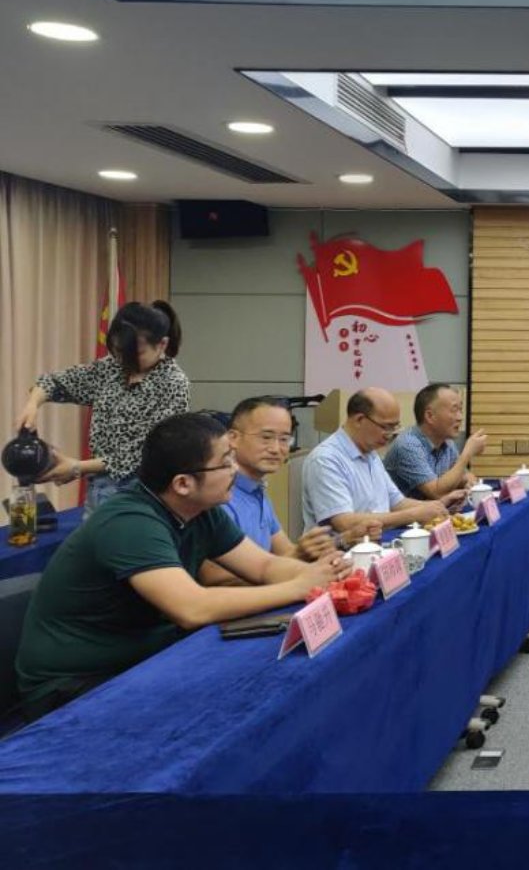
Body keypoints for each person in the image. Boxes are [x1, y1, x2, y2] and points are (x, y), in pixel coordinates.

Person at [14, 413, 349, 719]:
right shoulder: (130, 521)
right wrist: (298, 587)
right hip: (75, 685)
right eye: (225, 462)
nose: (235, 470)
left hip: (145, 657)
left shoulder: (201, 510)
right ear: (183, 484)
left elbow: (263, 567)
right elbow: (192, 608)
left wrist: (321, 574)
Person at [14, 300, 189, 515]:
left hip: (140, 493)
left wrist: (77, 467)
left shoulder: (172, 383)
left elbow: (144, 453)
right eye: (118, 352)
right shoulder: (111, 368)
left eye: (135, 354)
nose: (123, 360)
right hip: (98, 489)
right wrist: (32, 404)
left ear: (162, 344)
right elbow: (57, 382)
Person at [216, 396, 375, 570]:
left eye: (284, 439)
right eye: (266, 437)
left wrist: (342, 540)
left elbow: (285, 552)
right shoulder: (218, 496)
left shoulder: (257, 489)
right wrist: (298, 555)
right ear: (233, 438)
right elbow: (217, 578)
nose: (276, 449)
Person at [301, 387, 461, 534]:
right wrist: (414, 515)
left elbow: (397, 502)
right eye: (386, 427)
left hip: (378, 542)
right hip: (341, 552)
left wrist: (439, 505)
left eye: (395, 427)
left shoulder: (371, 453)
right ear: (359, 420)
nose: (390, 435)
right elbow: (344, 522)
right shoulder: (326, 459)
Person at [384, 382, 488, 499]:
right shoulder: (408, 445)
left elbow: (463, 474)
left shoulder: (447, 442)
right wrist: (467, 453)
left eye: (460, 410)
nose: (460, 417)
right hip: (405, 511)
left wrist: (468, 481)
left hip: (433, 509)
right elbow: (436, 492)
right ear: (430, 416)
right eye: (454, 410)